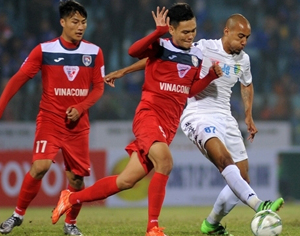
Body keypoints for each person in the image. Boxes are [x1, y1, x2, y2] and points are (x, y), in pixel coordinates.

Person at [103, 14, 285, 236]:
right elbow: (159, 59)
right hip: (198, 113)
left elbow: (247, 85)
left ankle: (211, 224)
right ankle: (259, 205)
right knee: (224, 161)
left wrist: (248, 116)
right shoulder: (204, 47)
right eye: (240, 36)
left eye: (247, 37)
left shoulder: (243, 60)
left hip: (225, 116)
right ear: (226, 32)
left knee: (242, 177)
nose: (244, 41)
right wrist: (123, 71)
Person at [51, 4, 222, 236]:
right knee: (166, 162)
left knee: (125, 181)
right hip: (148, 115)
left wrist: (210, 76)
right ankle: (152, 227)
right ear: (171, 29)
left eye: (193, 30)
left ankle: (71, 197)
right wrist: (156, 33)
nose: (190, 36)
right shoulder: (159, 46)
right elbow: (134, 51)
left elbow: (189, 90)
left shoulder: (196, 54)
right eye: (185, 32)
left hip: (169, 125)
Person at [0, 1, 105, 235]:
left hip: (78, 125)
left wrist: (80, 107)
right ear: (62, 22)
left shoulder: (94, 51)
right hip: (50, 120)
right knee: (40, 166)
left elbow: (98, 88)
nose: (80, 27)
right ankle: (17, 215)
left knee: (77, 180)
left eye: (84, 22)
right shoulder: (44, 50)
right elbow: (18, 78)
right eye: (75, 22)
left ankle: (70, 224)